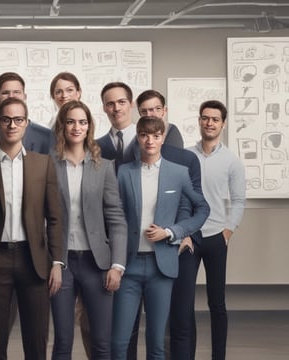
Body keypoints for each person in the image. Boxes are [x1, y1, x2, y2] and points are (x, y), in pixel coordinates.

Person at [97, 82, 202, 360]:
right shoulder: (122, 172)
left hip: (161, 266)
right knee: (119, 343)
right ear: (138, 137)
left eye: (155, 136)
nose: (149, 141)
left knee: (156, 344)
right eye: (144, 136)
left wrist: (173, 231)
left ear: (163, 136)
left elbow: (200, 209)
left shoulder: (178, 171)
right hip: (128, 264)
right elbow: (111, 214)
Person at [0, 97, 64, 360]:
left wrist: (56, 262)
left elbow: (55, 218)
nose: (12, 125)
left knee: (36, 339)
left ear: (26, 123)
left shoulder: (42, 164)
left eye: (18, 119)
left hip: (34, 260)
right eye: (6, 119)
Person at [50, 100, 127, 360]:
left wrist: (117, 265)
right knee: (62, 341)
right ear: (62, 125)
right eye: (70, 121)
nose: (76, 127)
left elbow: (116, 218)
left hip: (98, 263)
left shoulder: (102, 166)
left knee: (101, 342)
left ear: (89, 127)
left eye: (82, 122)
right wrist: (53, 261)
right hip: (62, 263)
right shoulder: (48, 164)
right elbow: (41, 218)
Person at [170, 100, 246, 360]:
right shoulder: (186, 156)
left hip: (216, 238)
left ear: (223, 124)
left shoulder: (232, 162)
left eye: (215, 119)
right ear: (199, 121)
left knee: (217, 303)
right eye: (205, 118)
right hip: (189, 237)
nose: (209, 123)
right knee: (184, 304)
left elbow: (238, 200)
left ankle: (218, 356)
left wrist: (228, 231)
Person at [0, 72, 53, 154]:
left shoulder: (45, 135)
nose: (11, 96)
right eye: (5, 93)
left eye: (16, 92)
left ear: (24, 96)